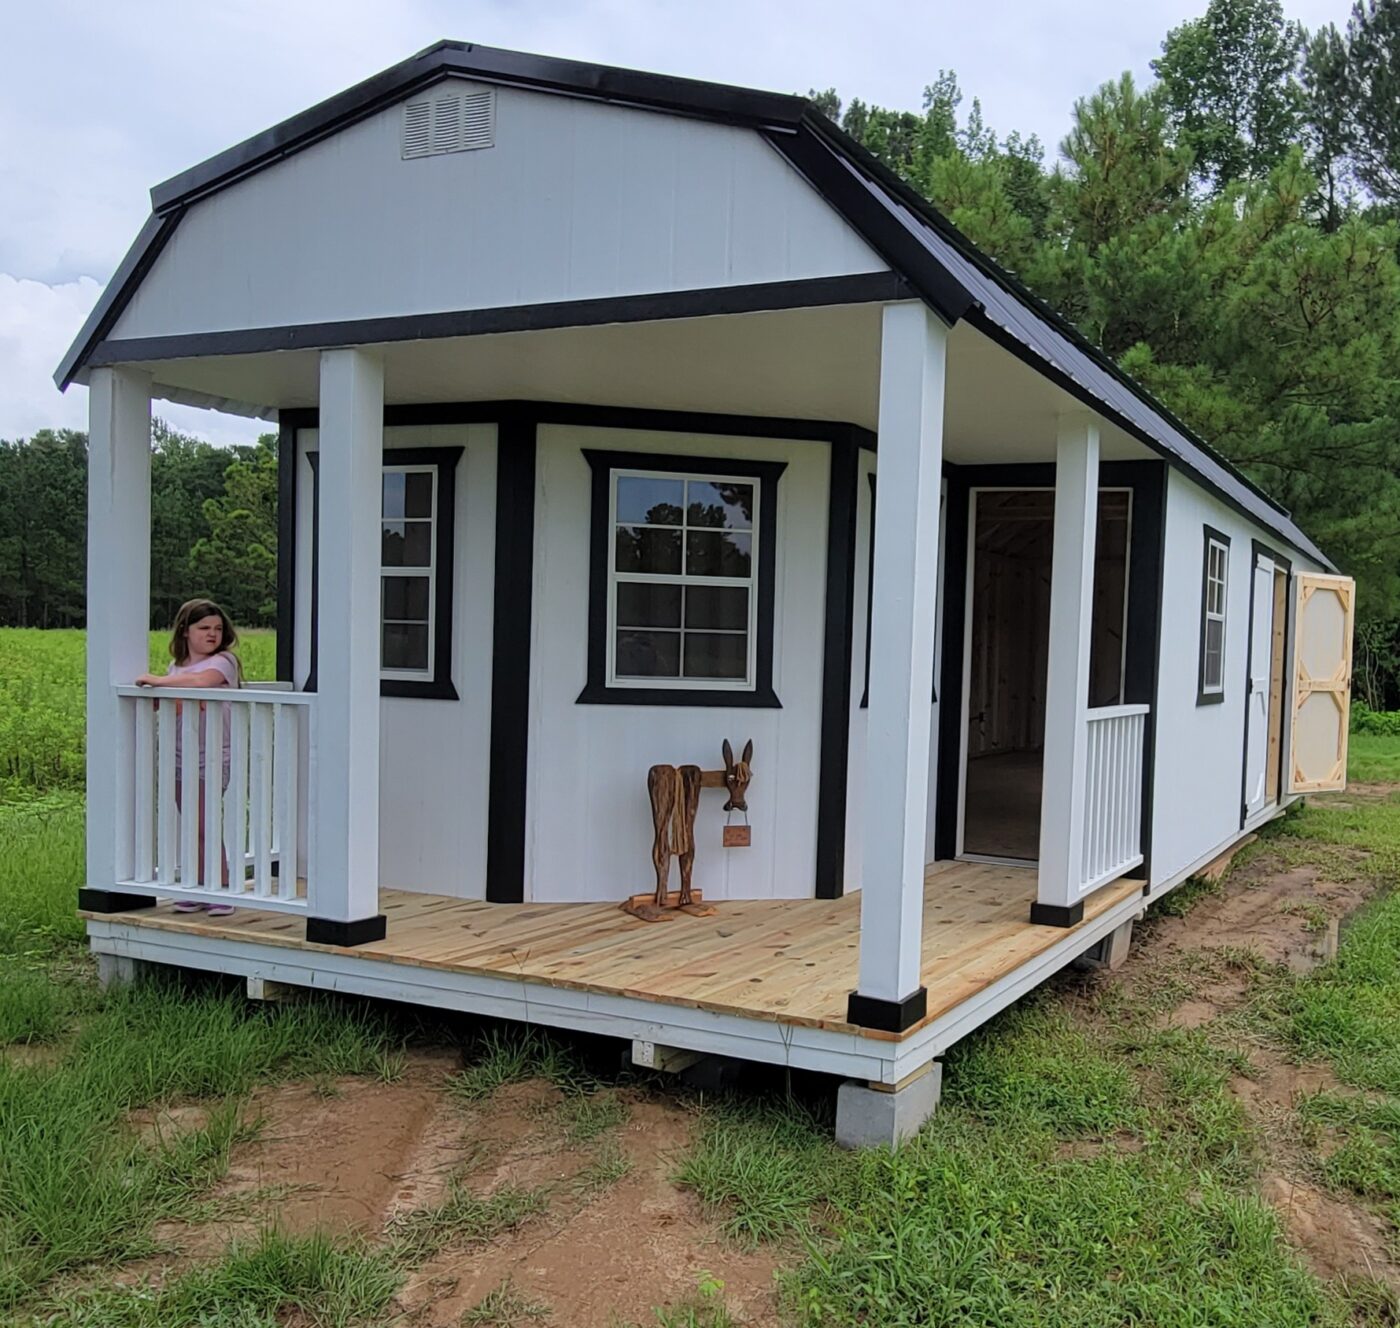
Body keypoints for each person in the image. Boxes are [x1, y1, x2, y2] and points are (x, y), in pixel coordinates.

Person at [135, 599, 243, 916]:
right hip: (181, 754)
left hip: (213, 755)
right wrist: (160, 696)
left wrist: (157, 681)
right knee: (191, 823)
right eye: (204, 628)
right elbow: (180, 701)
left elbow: (202, 682)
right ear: (185, 631)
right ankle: (198, 886)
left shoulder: (224, 662)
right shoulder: (177, 668)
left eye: (218, 628)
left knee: (206, 822)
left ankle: (221, 889)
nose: (212, 634)